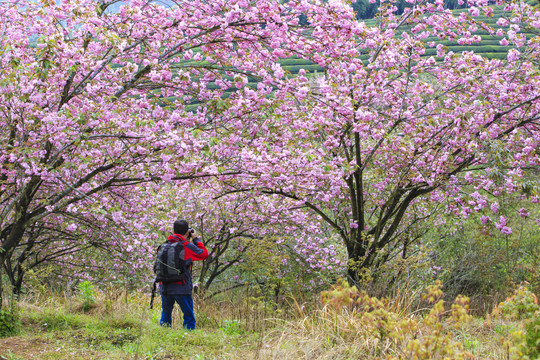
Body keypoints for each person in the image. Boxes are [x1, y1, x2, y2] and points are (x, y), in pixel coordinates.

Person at [159, 219, 208, 330]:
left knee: (165, 314)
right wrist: (196, 239)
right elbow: (204, 254)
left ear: (173, 231)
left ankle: (163, 336)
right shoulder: (186, 246)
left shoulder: (164, 246)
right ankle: (188, 337)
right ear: (187, 233)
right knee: (188, 315)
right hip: (181, 286)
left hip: (165, 285)